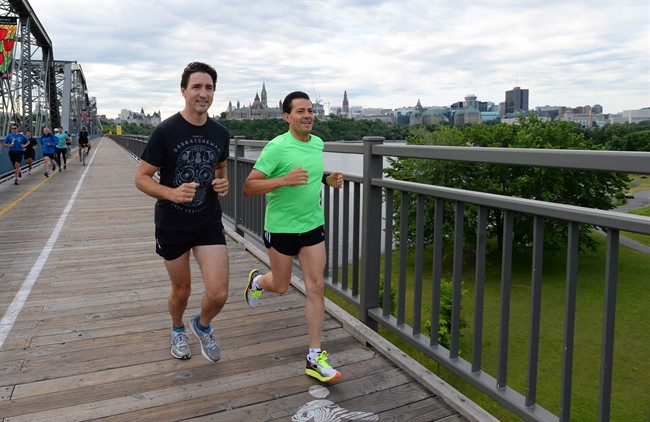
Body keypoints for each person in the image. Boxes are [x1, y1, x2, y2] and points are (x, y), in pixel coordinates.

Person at [243, 91, 344, 383]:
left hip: (312, 225)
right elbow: (250, 186)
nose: (307, 115)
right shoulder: (276, 148)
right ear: (287, 117)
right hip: (281, 228)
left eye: (310, 110)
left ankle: (314, 357)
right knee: (282, 285)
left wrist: (328, 179)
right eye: (300, 111)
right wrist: (283, 180)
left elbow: (312, 174)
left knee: (316, 287)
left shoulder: (317, 143)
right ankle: (258, 281)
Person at [135, 62, 230, 363]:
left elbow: (221, 165)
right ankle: (177, 329)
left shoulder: (220, 133)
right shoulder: (165, 131)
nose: (203, 93)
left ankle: (201, 326)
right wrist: (172, 192)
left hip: (207, 221)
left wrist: (222, 182)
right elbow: (141, 178)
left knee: (218, 293)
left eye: (209, 88)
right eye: (197, 87)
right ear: (184, 91)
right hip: (172, 222)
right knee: (183, 290)